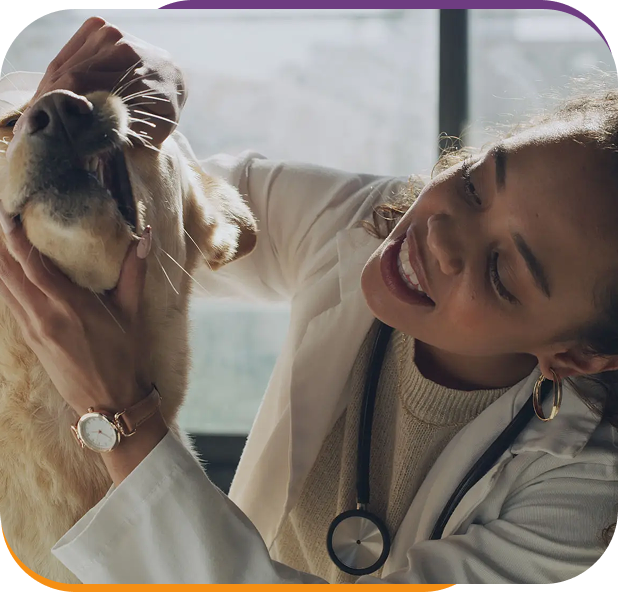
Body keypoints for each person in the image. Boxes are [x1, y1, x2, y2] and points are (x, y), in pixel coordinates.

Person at [1, 16, 617, 585]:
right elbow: (166, 194)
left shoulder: (583, 506)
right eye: (477, 183)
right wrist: (147, 74)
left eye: (502, 271)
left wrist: (123, 416)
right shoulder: (360, 224)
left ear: (576, 356)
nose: (442, 235)